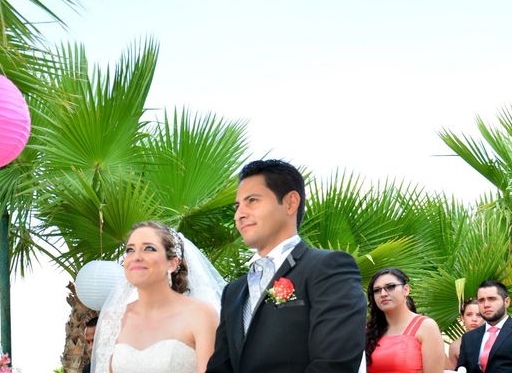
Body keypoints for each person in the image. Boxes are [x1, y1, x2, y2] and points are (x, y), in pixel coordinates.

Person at [206, 159, 367, 373]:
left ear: (291, 203)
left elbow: (334, 364)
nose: (239, 214)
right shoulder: (233, 292)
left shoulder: (328, 268)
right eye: (237, 206)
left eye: (252, 200)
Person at [91, 221, 226, 373]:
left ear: (172, 264)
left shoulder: (201, 314)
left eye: (149, 248)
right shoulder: (113, 319)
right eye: (130, 250)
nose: (136, 257)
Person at [365, 267, 445, 373]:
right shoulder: (369, 331)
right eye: (377, 290)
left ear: (406, 289)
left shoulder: (426, 327)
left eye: (390, 287)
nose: (383, 294)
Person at [457, 280, 512, 372]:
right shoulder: (468, 338)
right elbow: (461, 369)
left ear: (506, 302)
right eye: (481, 300)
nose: (486, 305)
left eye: (492, 299)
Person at [447, 298, 483, 369]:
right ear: (462, 318)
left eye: (479, 315)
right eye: (469, 314)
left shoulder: (494, 341)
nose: (474, 319)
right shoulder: (455, 346)